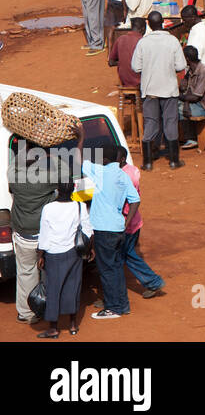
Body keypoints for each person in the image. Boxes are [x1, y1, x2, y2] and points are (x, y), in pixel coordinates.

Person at [81, 143, 140, 321]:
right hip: (118, 228)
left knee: (106, 270)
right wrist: (126, 222)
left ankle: (113, 308)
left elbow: (78, 159)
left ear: (105, 159)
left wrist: (81, 138)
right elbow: (135, 200)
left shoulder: (100, 172)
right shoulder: (122, 175)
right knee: (116, 268)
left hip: (104, 230)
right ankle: (122, 305)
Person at [36, 182, 93, 338]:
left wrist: (40, 255)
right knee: (73, 287)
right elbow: (88, 231)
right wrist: (90, 249)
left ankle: (53, 328)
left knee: (53, 290)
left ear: (57, 190)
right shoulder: (80, 207)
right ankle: (73, 325)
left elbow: (44, 234)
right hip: (74, 253)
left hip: (53, 254)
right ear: (73, 189)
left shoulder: (48, 208)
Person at [132, 10, 187, 171]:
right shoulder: (172, 41)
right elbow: (181, 66)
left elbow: (136, 67)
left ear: (148, 24)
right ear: (162, 23)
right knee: (170, 122)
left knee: (151, 122)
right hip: (169, 89)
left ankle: (148, 162)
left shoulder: (143, 43)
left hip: (150, 90)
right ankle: (174, 160)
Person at [10, 147, 56, 326]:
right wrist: (51, 156)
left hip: (24, 236)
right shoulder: (47, 179)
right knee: (48, 273)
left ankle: (26, 313)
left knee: (25, 273)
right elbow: (66, 174)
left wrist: (25, 153)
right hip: (44, 237)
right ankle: (48, 308)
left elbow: (13, 166)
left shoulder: (15, 178)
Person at [114, 146, 165, 300]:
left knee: (125, 255)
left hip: (127, 223)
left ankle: (153, 282)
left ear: (122, 159)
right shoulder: (133, 170)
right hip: (135, 221)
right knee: (127, 254)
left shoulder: (122, 177)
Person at [181, 44, 205, 150]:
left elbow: (195, 97)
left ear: (187, 59)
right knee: (179, 105)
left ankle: (191, 138)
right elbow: (188, 89)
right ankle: (188, 136)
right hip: (199, 103)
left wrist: (182, 98)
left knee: (176, 108)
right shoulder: (192, 70)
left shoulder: (202, 72)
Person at [108, 16, 147, 89]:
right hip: (140, 81)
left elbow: (111, 62)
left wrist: (123, 62)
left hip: (124, 80)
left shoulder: (120, 39)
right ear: (143, 29)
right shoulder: (144, 41)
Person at [181, 3, 205, 71]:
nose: (184, 23)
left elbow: (197, 55)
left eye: (185, 20)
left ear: (193, 17)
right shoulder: (202, 26)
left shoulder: (200, 32)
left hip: (201, 70)